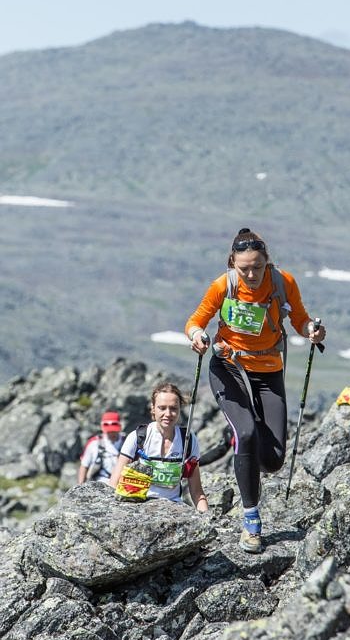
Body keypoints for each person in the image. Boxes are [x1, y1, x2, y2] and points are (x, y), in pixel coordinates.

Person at [185, 227, 326, 552]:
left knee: (273, 460)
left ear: (267, 263)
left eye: (257, 267)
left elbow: (301, 320)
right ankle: (251, 522)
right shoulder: (224, 285)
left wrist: (312, 332)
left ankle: (234, 440)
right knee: (248, 433)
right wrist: (197, 336)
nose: (250, 274)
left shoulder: (282, 283)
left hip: (268, 367)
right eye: (243, 267)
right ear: (232, 263)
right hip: (229, 365)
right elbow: (196, 320)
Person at [109, 382, 208, 513]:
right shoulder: (137, 437)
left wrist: (207, 518)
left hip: (174, 509)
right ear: (153, 409)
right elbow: (113, 484)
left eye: (173, 408)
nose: (168, 413)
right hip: (137, 507)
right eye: (162, 408)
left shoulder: (188, 440)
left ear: (180, 410)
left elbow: (196, 491)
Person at [78, 411, 125, 484]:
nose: (111, 433)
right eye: (109, 431)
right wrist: (80, 485)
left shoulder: (127, 441)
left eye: (113, 431)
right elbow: (84, 466)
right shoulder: (94, 443)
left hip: (122, 483)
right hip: (100, 483)